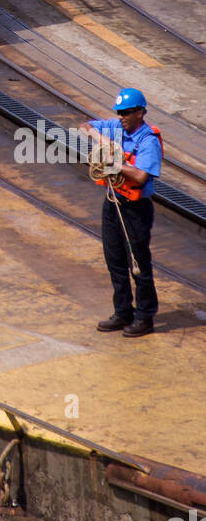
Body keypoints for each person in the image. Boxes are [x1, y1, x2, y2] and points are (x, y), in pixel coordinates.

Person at [81, 87, 162, 338]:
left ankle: (145, 316)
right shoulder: (116, 128)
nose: (121, 117)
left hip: (136, 210)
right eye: (119, 112)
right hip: (113, 202)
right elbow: (84, 125)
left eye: (126, 112)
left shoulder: (148, 140)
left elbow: (140, 175)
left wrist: (115, 163)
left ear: (140, 112)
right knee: (114, 260)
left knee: (137, 264)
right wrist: (101, 139)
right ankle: (122, 312)